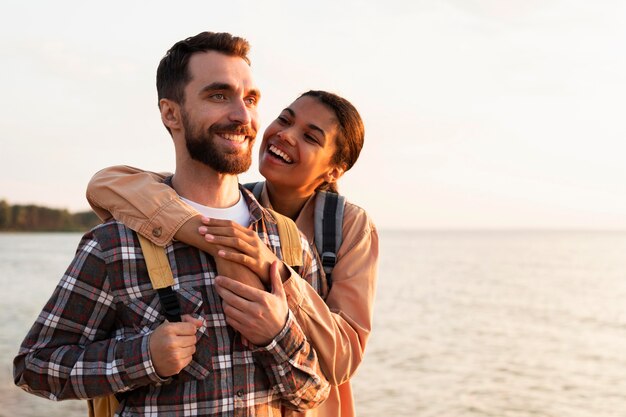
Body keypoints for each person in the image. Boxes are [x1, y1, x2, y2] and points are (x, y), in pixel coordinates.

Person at [13, 32, 330, 416]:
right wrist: (144, 357)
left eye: (250, 100)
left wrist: (278, 336)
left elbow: (313, 395)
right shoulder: (116, 245)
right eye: (218, 95)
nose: (243, 116)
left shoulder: (289, 242)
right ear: (170, 113)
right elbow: (35, 365)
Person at [86, 90, 379, 417]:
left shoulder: (348, 227)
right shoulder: (232, 204)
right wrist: (205, 234)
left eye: (310, 136)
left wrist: (274, 269)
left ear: (335, 171)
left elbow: (345, 358)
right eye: (285, 119)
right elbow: (107, 184)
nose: (286, 134)